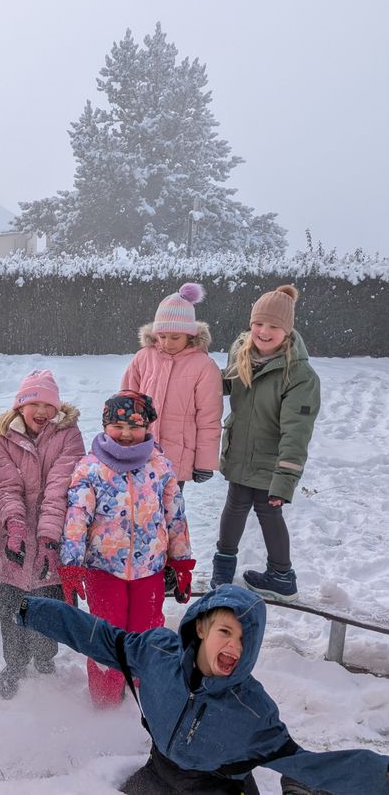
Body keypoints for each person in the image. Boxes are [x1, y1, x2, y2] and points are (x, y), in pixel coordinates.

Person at [17, 584, 389, 794]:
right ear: (200, 629)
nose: (233, 647)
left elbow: (312, 762)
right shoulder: (157, 654)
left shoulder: (253, 712)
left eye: (244, 640)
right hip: (159, 774)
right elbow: (98, 637)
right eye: (224, 632)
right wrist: (33, 611)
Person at [60, 390, 193, 707]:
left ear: (148, 427)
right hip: (103, 570)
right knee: (107, 636)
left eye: (135, 426)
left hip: (149, 569)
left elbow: (175, 515)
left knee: (146, 633)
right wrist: (71, 565)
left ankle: (140, 695)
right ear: (105, 425)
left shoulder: (160, 467)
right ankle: (105, 701)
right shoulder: (90, 468)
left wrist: (182, 562)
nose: (126, 433)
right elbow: (77, 518)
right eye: (117, 425)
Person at [211, 286, 320, 601]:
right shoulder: (242, 352)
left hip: (273, 461)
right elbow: (228, 383)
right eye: (259, 323)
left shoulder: (299, 374)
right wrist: (197, 377)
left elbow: (297, 431)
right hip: (241, 451)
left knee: (268, 512)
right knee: (234, 506)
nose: (264, 331)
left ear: (287, 331)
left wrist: (284, 479)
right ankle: (223, 565)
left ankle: (281, 575)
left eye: (274, 326)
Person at [0, 369, 85, 699]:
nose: (41, 412)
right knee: (12, 603)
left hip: (52, 535)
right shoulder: (5, 436)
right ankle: (14, 663)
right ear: (20, 407)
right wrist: (15, 527)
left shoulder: (68, 436)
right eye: (34, 404)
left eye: (48, 404)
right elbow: (6, 487)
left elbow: (61, 489)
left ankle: (45, 660)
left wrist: (47, 539)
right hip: (12, 539)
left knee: (47, 602)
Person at [120, 282, 223, 488]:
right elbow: (125, 402)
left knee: (170, 511)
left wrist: (205, 462)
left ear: (190, 334)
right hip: (142, 450)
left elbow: (208, 418)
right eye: (162, 336)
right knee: (138, 510)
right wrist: (122, 441)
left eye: (175, 337)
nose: (167, 343)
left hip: (177, 457)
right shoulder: (143, 358)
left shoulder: (204, 366)